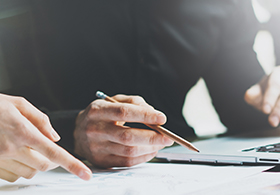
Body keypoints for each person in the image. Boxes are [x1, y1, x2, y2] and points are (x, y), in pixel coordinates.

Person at [0, 0, 279, 182]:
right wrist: (71, 130)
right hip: (37, 172)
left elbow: (243, 102)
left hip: (177, 176)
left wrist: (272, 100)